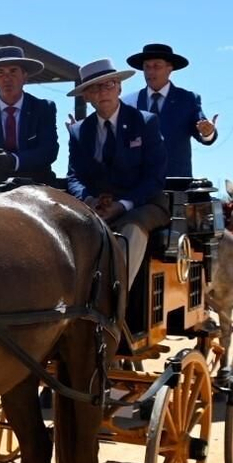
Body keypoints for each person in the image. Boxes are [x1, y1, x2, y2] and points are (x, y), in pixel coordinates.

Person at [65, 57, 167, 291]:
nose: (103, 92)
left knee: (131, 227)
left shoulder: (145, 122)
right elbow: (74, 176)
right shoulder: (79, 132)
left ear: (120, 87)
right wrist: (89, 200)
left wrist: (123, 204)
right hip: (96, 206)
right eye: (95, 87)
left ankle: (114, 300)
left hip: (143, 204)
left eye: (109, 84)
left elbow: (155, 176)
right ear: (86, 96)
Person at [0, 45, 60, 185]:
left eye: (13, 71)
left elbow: (49, 151)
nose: (7, 78)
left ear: (25, 76)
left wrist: (14, 161)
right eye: (0, 72)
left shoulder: (43, 108)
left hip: (37, 184)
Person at [122, 42, 216, 179]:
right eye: (146, 67)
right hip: (138, 185)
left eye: (156, 66)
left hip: (176, 186)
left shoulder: (187, 99)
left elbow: (202, 128)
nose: (150, 72)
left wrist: (208, 132)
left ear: (169, 68)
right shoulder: (128, 102)